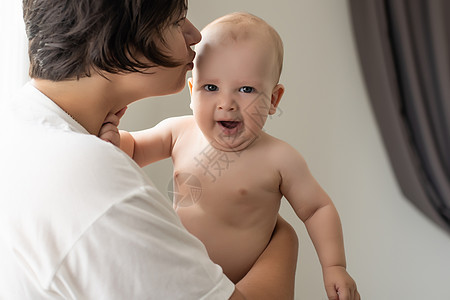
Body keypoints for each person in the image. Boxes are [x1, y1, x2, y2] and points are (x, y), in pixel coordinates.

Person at [0, 1, 299, 299]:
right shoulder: (96, 181)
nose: (194, 34)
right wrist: (282, 238)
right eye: (177, 20)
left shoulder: (18, 123)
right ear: (118, 35)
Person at [102, 12, 360, 299]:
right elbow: (134, 149)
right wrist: (113, 139)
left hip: (243, 285)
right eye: (210, 87)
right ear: (192, 92)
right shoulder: (179, 132)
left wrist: (334, 265)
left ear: (273, 100)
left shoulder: (280, 159)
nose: (227, 104)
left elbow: (316, 209)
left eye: (246, 89)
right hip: (181, 275)